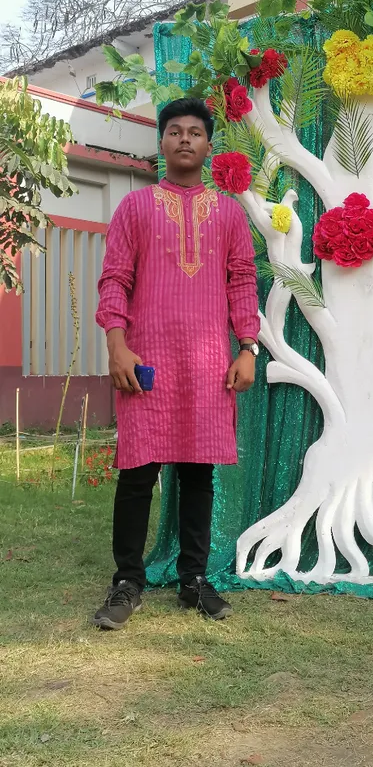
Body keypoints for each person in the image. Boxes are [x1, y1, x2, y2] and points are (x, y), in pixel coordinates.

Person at [93, 98, 260, 629]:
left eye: (195, 132)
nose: (185, 139)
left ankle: (193, 580)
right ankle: (127, 582)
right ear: (161, 143)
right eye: (174, 131)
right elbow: (115, 279)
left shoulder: (230, 213)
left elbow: (241, 280)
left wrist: (249, 347)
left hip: (209, 363)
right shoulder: (135, 209)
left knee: (197, 473)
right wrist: (117, 345)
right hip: (145, 361)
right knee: (137, 473)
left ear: (209, 146)